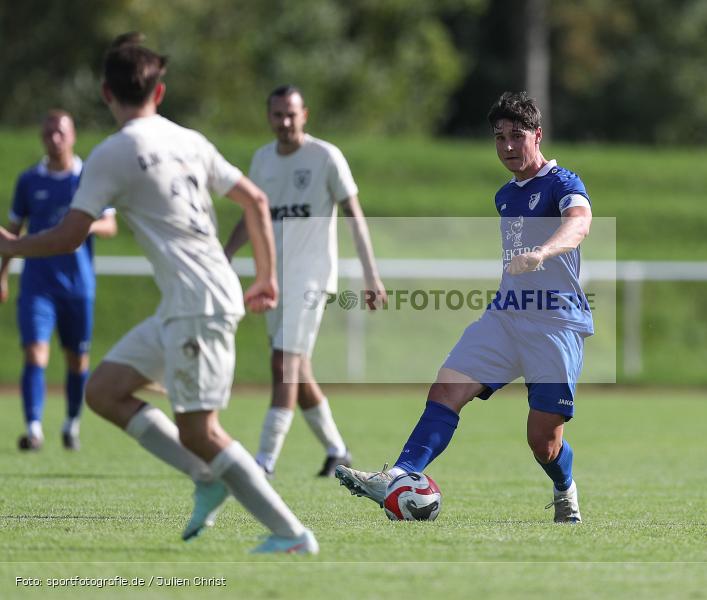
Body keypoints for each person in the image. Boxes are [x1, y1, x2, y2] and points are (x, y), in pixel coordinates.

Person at [0, 33, 317, 554]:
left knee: (200, 429)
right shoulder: (187, 139)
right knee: (102, 390)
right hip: (192, 300)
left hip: (198, 303)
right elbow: (256, 201)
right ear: (160, 92)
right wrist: (266, 278)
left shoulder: (111, 154)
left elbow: (68, 235)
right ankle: (206, 479)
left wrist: (9, 245)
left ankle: (291, 534)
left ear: (106, 93)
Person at [335, 91, 592, 523]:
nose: (508, 146)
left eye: (517, 136)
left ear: (538, 135)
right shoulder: (505, 196)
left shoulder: (563, 183)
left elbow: (580, 222)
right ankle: (401, 473)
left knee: (542, 442)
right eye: (499, 138)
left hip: (555, 324)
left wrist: (542, 253)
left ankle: (564, 487)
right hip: (505, 317)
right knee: (445, 391)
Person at [224, 85, 386, 478]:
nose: (284, 122)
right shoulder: (263, 159)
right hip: (274, 281)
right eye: (277, 114)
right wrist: (223, 256)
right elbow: (252, 214)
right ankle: (337, 449)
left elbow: (354, 215)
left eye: (291, 114)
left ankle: (263, 462)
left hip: (312, 279)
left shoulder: (326, 157)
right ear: (269, 116)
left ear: (304, 115)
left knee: (282, 364)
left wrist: (371, 275)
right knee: (298, 368)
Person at [0, 110, 117, 452]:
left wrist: (78, 227)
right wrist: (3, 275)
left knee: (76, 360)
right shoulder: (28, 181)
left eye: (60, 133)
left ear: (73, 135)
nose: (54, 139)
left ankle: (71, 425)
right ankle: (33, 429)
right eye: (48, 133)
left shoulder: (88, 178)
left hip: (78, 286)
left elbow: (110, 226)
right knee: (35, 353)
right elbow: (14, 233)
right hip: (38, 283)